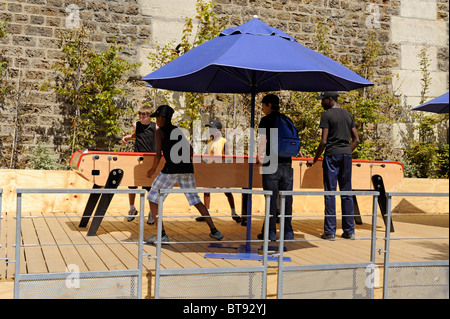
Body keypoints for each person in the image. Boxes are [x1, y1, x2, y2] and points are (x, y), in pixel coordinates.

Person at [145, 104, 224, 244]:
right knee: (195, 199)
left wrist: (152, 170)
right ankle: (215, 231)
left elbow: (158, 155)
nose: (155, 120)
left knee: (152, 197)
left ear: (162, 118)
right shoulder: (177, 130)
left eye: (157, 117)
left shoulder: (160, 132)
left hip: (171, 169)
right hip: (187, 168)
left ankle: (161, 235)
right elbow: (191, 151)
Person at [306, 91, 360, 241]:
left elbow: (323, 141)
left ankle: (330, 232)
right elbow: (356, 140)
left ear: (330, 99)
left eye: (323, 100)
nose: (321, 103)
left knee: (330, 191)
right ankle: (349, 231)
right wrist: (345, 152)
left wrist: (315, 159)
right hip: (346, 156)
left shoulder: (327, 115)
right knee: (346, 192)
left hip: (331, 156)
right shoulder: (348, 115)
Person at [256, 94, 302, 241]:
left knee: (271, 198)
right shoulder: (287, 120)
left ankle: (270, 233)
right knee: (286, 199)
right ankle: (288, 232)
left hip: (271, 164)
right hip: (287, 164)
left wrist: (258, 156)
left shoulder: (266, 120)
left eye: (263, 106)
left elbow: (263, 141)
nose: (262, 109)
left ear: (269, 105)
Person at [195, 120, 241, 223]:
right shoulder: (209, 141)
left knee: (227, 191)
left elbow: (228, 156)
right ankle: (206, 213)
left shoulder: (224, 141)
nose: (210, 130)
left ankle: (234, 213)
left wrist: (225, 168)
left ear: (219, 130)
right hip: (211, 170)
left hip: (221, 170)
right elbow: (206, 154)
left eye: (213, 128)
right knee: (206, 191)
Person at [122, 105, 157, 224]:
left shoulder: (155, 127)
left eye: (144, 116)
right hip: (136, 159)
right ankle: (132, 209)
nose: (141, 118)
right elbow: (137, 135)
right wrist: (128, 137)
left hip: (149, 160)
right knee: (132, 185)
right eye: (140, 116)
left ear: (150, 117)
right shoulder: (136, 125)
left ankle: (152, 212)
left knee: (150, 188)